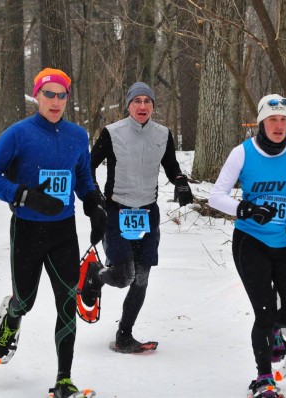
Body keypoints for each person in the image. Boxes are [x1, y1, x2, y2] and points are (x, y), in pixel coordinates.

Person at [0, 67, 106, 398]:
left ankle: (64, 378)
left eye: (61, 94)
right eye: (48, 94)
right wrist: (25, 196)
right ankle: (12, 316)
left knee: (67, 301)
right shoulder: (19, 134)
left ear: (67, 98)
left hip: (63, 231)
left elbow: (82, 177)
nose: (55, 101)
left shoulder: (77, 136)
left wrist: (93, 203)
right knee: (27, 300)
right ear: (36, 96)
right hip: (27, 230)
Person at [209, 94, 286, 398]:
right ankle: (263, 379)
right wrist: (245, 209)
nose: (279, 125)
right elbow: (215, 196)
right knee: (264, 313)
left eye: (283, 119)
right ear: (261, 122)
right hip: (251, 242)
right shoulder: (242, 153)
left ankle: (277, 329)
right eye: (272, 119)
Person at [81, 82, 193, 352]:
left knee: (141, 278)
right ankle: (95, 276)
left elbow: (171, 166)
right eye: (137, 101)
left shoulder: (163, 134)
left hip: (148, 213)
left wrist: (180, 182)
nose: (142, 106)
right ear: (128, 105)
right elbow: (88, 166)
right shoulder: (112, 132)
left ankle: (124, 335)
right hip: (117, 210)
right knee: (123, 276)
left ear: (153, 105)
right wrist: (95, 198)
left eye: (147, 101)